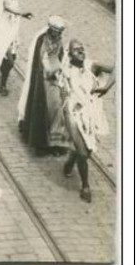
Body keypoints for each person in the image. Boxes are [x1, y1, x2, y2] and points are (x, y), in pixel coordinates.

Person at [60, 39, 114, 203]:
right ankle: (85, 186)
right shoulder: (65, 70)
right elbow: (62, 93)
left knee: (87, 150)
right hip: (72, 111)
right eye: (76, 50)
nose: (81, 52)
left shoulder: (92, 66)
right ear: (70, 54)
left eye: (82, 49)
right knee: (83, 153)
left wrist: (106, 87)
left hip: (91, 113)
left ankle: (70, 160)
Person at [18, 15, 69, 155]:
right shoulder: (43, 40)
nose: (58, 35)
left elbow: (60, 56)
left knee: (58, 109)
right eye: (56, 32)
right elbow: (43, 59)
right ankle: (41, 143)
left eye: (60, 32)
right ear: (50, 30)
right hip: (45, 79)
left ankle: (56, 142)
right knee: (45, 108)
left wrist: (60, 73)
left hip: (56, 77)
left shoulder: (59, 41)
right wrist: (51, 72)